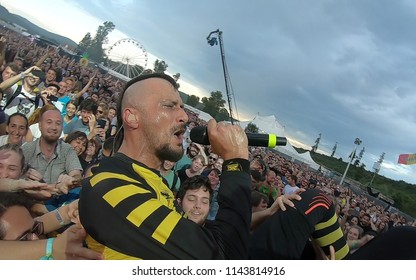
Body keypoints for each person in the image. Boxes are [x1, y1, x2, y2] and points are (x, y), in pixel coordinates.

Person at [79, 73, 251, 259]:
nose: (184, 116)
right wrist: (236, 159)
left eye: (183, 108)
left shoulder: (154, 182)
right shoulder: (111, 187)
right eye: (169, 106)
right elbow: (222, 258)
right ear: (132, 118)